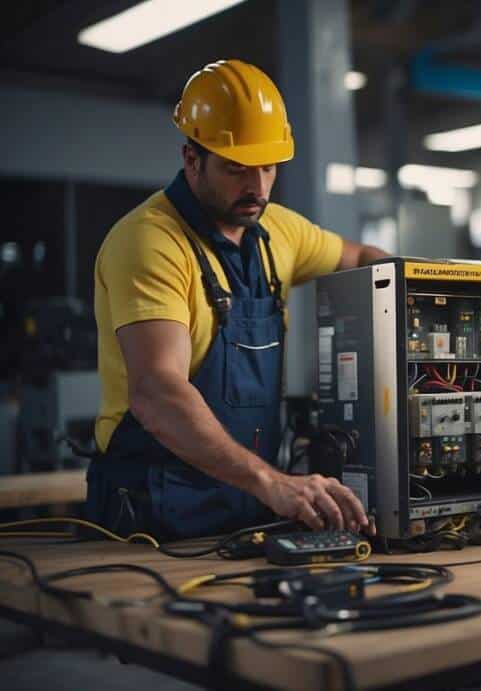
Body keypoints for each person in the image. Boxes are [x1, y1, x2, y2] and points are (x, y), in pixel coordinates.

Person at [87, 60, 388, 541]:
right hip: (154, 518)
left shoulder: (278, 233)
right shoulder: (150, 242)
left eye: (268, 167)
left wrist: (437, 286)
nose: (257, 187)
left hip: (248, 510)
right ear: (191, 159)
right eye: (236, 168)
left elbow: (364, 257)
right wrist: (271, 482)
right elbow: (156, 391)